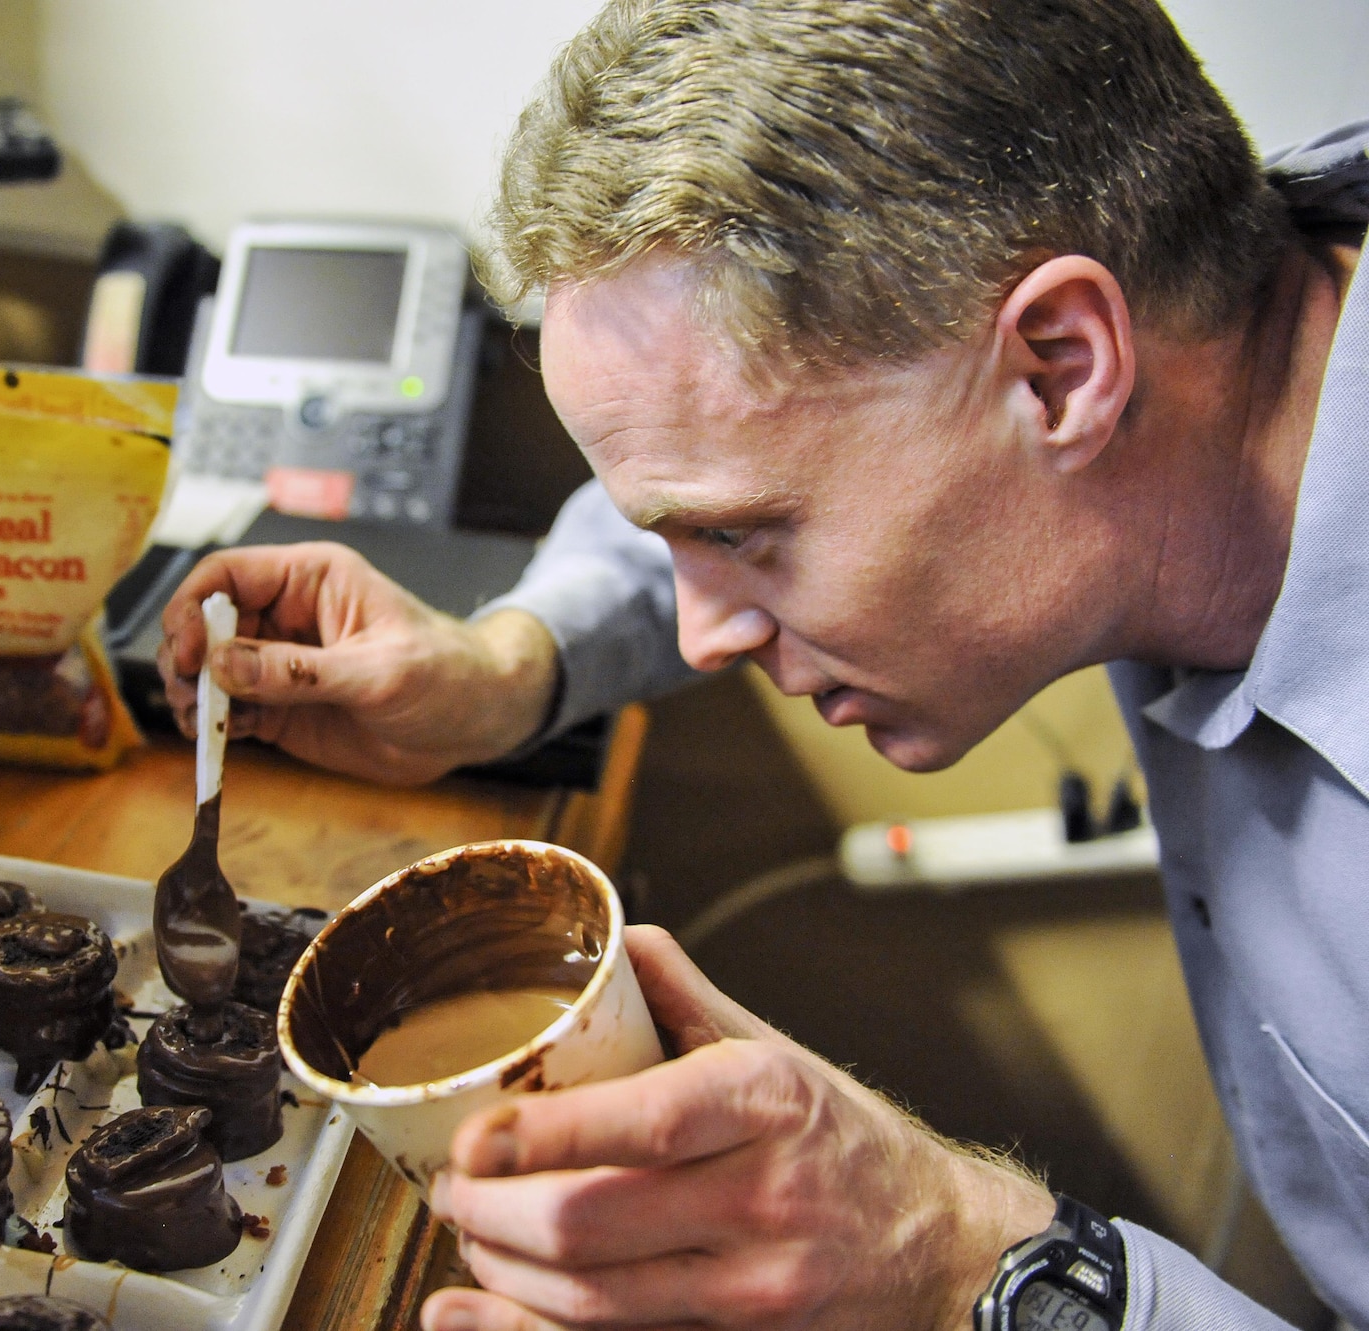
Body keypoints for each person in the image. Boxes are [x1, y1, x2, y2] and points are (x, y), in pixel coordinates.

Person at [158, 1, 1369, 1326]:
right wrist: (511, 663)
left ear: (1060, 368)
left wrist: (971, 1263)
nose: (699, 634)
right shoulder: (1238, 297)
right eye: (687, 538)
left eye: (743, 539)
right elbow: (726, 446)